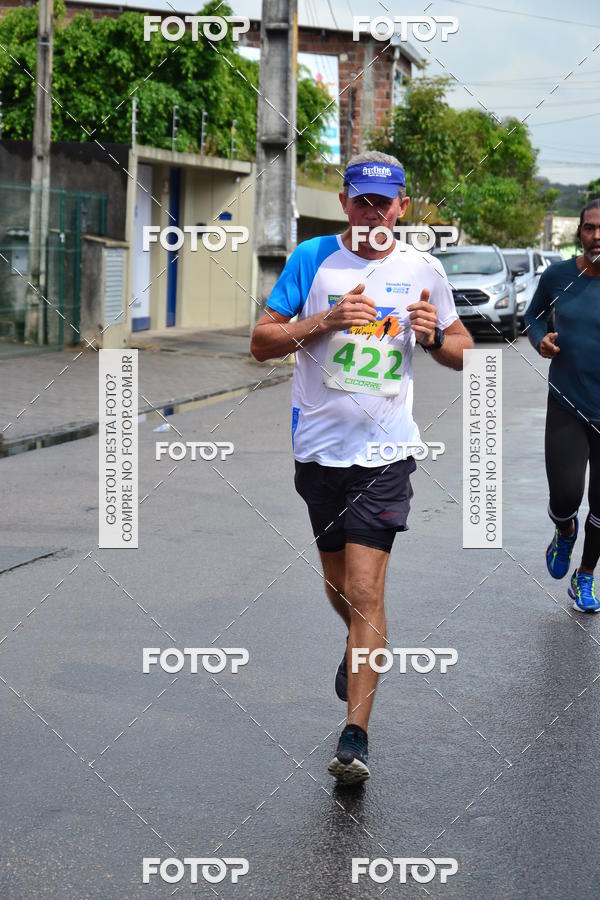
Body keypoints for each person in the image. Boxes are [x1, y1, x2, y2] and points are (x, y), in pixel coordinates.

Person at [250, 151, 473, 784]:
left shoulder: (424, 269)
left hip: (386, 456)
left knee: (368, 591)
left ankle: (356, 735)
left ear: (403, 205)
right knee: (342, 589)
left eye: (385, 201)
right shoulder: (312, 260)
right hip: (318, 453)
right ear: (345, 203)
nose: (373, 213)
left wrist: (433, 338)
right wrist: (324, 320)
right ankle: (359, 646)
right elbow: (260, 343)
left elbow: (464, 350)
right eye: (361, 201)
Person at [525, 198, 600, 613]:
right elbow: (532, 317)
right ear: (580, 233)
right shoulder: (558, 276)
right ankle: (564, 529)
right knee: (566, 496)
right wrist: (541, 340)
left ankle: (585, 576)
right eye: (589, 228)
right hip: (568, 405)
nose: (597, 236)